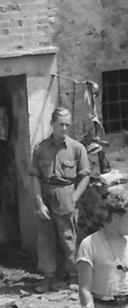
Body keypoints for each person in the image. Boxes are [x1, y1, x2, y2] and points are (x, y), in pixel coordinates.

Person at [30, 108, 90, 293]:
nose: (64, 128)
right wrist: (39, 202)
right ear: (52, 125)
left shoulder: (76, 148)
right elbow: (34, 176)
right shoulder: (40, 148)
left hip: (66, 193)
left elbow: (85, 176)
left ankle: (72, 275)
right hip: (46, 191)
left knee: (68, 237)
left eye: (67, 125)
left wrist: (74, 198)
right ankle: (49, 276)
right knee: (45, 238)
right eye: (60, 124)